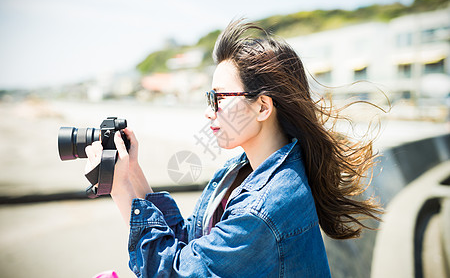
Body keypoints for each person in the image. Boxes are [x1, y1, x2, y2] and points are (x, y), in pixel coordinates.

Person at [85, 20, 381, 277]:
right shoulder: (244, 169)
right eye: (208, 98)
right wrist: (132, 172)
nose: (209, 111)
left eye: (219, 99)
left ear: (263, 106)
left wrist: (118, 188)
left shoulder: (266, 207)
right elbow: (189, 244)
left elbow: (176, 272)